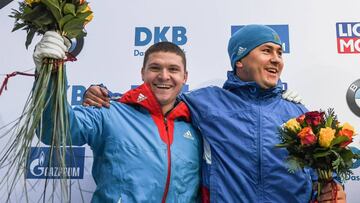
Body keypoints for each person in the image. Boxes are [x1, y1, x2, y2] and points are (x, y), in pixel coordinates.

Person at [82, 25, 346, 202]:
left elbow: (320, 168)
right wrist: (102, 93)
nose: (276, 58)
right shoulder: (207, 102)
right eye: (266, 51)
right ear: (239, 60)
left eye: (279, 52)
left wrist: (332, 186)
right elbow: (159, 95)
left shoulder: (297, 111)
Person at [33, 34, 202, 202]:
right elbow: (53, 130)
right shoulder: (108, 112)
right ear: (143, 73)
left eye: (173, 69)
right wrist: (50, 74)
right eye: (155, 68)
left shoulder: (197, 127)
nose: (164, 76)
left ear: (184, 77)